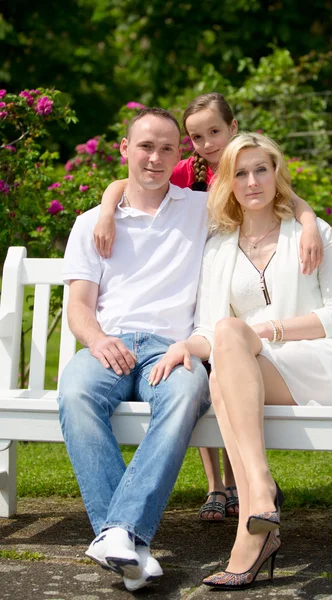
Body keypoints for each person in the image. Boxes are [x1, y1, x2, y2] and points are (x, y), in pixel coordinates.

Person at [92, 92, 332, 523]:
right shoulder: (191, 183)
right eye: (196, 136)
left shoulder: (281, 201)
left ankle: (248, 486)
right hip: (236, 323)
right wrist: (107, 211)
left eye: (215, 132)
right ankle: (233, 488)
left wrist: (313, 226)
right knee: (210, 362)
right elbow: (132, 181)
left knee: (225, 359)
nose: (207, 143)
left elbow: (291, 201)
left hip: (294, 351)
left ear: (233, 129)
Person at [147, 132, 332, 589]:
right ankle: (257, 518)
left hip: (317, 364)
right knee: (224, 362)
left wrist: (267, 331)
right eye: (240, 173)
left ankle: (256, 499)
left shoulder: (314, 231)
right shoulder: (219, 246)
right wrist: (185, 346)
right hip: (249, 366)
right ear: (227, 182)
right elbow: (210, 328)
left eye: (261, 169)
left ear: (277, 173)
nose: (252, 181)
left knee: (227, 364)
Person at [57, 107, 212, 592]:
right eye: (146, 145)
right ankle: (127, 540)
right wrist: (99, 340)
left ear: (180, 154)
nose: (156, 157)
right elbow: (79, 305)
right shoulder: (90, 223)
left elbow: (268, 200)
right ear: (125, 149)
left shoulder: (199, 209)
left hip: (171, 349)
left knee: (188, 392)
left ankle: (117, 534)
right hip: (110, 343)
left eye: (168, 147)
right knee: (76, 392)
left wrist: (316, 224)